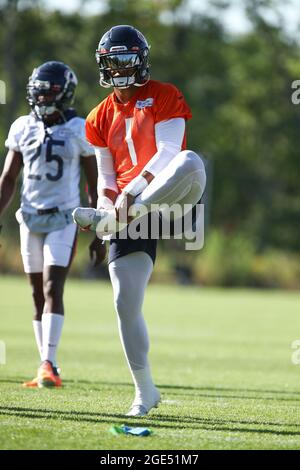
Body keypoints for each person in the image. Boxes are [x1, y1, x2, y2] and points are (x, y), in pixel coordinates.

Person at [73, 25, 207, 416]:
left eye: (127, 59)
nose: (119, 69)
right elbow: (106, 179)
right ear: (103, 65)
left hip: (172, 198)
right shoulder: (98, 116)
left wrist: (130, 198)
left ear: (142, 60)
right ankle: (144, 391)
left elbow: (169, 152)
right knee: (124, 301)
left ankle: (118, 218)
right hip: (130, 214)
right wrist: (106, 206)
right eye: (112, 62)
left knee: (189, 160)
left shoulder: (164, 95)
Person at [0, 61, 103, 388]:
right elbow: (8, 179)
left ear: (65, 93)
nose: (43, 97)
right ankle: (44, 363)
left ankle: (49, 363)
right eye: (39, 90)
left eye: (50, 91)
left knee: (51, 286)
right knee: (35, 293)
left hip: (64, 217)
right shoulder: (21, 126)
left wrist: (100, 228)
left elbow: (94, 183)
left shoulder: (79, 128)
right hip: (30, 217)